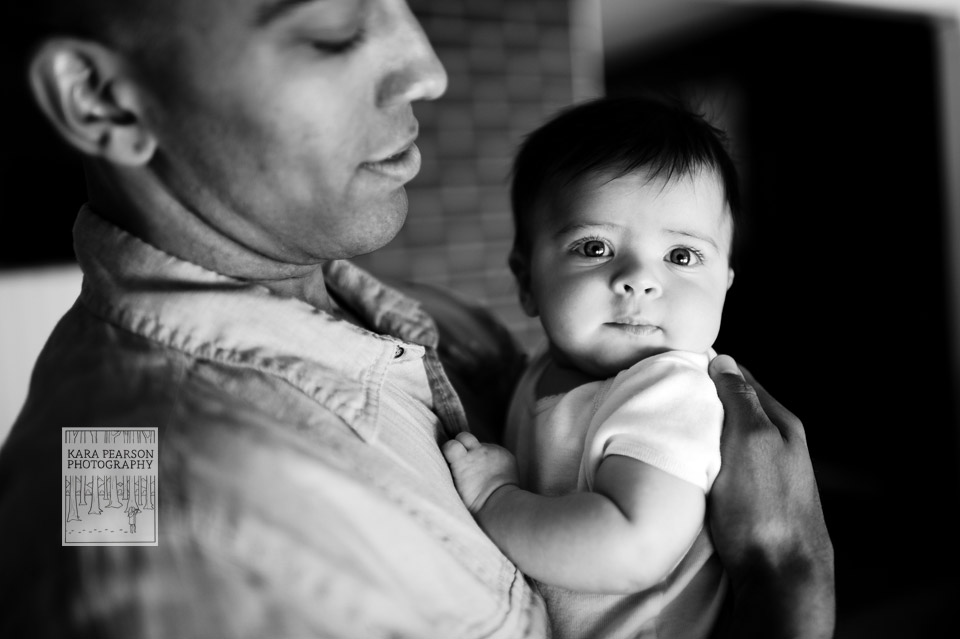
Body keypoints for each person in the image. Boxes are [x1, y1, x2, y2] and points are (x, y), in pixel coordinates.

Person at [0, 1, 834, 638]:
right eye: (331, 26)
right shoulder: (163, 507)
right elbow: (108, 540)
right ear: (103, 98)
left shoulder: (434, 325)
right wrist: (790, 577)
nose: (426, 66)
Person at [443, 96, 740, 639]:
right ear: (527, 281)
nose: (638, 280)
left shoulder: (669, 393)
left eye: (680, 256)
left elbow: (632, 547)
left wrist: (495, 500)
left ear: (723, 283)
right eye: (595, 246)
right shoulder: (544, 369)